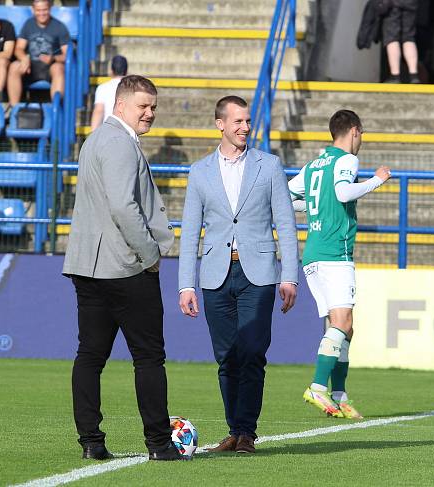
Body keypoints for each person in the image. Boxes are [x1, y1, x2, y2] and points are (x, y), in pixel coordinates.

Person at [62, 75, 182, 462]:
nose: (149, 113)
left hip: (88, 266)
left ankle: (91, 442)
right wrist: (149, 254)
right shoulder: (119, 144)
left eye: (153, 106)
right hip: (125, 267)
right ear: (120, 105)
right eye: (142, 106)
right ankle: (160, 444)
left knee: (90, 356)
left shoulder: (95, 139)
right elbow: (123, 208)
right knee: (148, 358)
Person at [178, 95, 299, 454]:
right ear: (220, 124)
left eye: (247, 121)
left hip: (259, 273)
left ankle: (246, 431)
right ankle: (234, 430)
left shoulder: (270, 166)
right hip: (215, 273)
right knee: (226, 356)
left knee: (252, 351)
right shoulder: (199, 171)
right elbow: (190, 230)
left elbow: (286, 225)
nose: (245, 127)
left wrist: (289, 276)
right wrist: (186, 284)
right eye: (238, 122)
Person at [288, 110, 391, 419]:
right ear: (355, 131)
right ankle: (318, 387)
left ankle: (340, 395)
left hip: (313, 254)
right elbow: (343, 191)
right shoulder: (346, 160)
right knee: (342, 324)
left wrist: (313, 206)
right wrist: (377, 180)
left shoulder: (314, 165)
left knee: (345, 327)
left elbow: (286, 195)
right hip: (335, 253)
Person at [7, 0, 70, 106]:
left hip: (50, 66)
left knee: (58, 68)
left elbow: (67, 55)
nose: (41, 13)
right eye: (38, 10)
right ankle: (15, 109)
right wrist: (23, 58)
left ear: (50, 9)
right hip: (30, 66)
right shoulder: (28, 24)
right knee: (14, 66)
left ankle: (56, 108)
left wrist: (53, 58)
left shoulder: (60, 27)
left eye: (44, 10)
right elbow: (18, 48)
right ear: (33, 10)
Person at [382, 0, 419, 83]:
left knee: (392, 38)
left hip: (393, 3)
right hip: (411, 3)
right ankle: (414, 76)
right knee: (409, 37)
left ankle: (395, 76)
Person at [90, 55, 128, 131]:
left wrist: (93, 134)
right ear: (126, 71)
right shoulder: (132, 88)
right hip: (127, 132)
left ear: (111, 71)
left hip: (108, 131)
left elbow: (99, 111)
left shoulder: (102, 88)